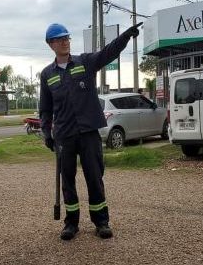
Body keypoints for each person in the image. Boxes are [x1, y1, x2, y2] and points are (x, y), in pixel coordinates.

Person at [39, 22, 141, 240]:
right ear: (51, 44)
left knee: (94, 177)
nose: (65, 42)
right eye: (60, 39)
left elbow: (108, 53)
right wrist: (47, 134)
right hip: (64, 135)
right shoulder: (47, 74)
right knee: (67, 179)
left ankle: (101, 221)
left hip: (88, 132)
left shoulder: (85, 62)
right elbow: (45, 109)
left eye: (67, 38)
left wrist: (124, 37)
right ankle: (71, 223)